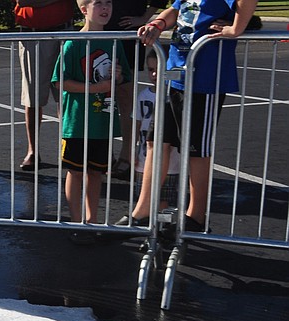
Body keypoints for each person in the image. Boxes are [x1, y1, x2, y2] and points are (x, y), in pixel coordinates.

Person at [127, 0, 258, 232]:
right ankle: (143, 210)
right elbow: (176, 9)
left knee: (196, 149)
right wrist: (157, 23)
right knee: (156, 140)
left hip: (205, 79)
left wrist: (236, 28)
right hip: (174, 73)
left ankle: (195, 216)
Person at [52, 0, 132, 234]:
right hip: (77, 122)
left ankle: (92, 219)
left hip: (102, 121)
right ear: (84, 9)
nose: (105, 8)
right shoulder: (73, 43)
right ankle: (76, 221)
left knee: (96, 172)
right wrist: (96, 88)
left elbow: (123, 79)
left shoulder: (114, 41)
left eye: (109, 3)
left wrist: (117, 77)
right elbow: (60, 81)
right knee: (76, 172)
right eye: (98, 3)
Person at [105, 0, 168, 180]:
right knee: (99, 98)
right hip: (98, 32)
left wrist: (144, 18)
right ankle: (102, 155)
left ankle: (127, 156)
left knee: (125, 99)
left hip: (127, 33)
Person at [13, 0, 75, 171]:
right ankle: (33, 150)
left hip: (64, 32)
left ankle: (69, 149)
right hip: (32, 35)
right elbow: (23, 1)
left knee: (66, 95)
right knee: (32, 97)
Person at [131, 48, 180, 220]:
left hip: (171, 162)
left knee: (163, 200)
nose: (154, 74)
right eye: (151, 69)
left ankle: (160, 228)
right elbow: (136, 125)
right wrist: (132, 151)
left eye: (159, 69)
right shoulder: (143, 95)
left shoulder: (176, 97)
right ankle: (147, 226)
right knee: (143, 197)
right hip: (144, 159)